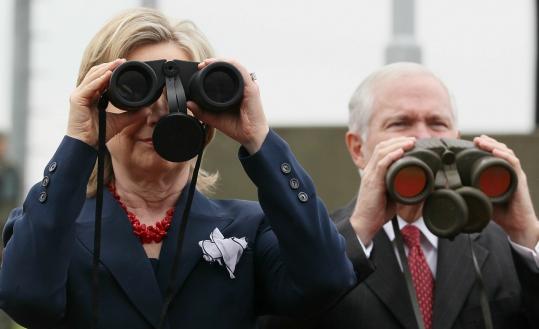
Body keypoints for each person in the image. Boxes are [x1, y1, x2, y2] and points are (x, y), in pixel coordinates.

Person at [0, 8, 364, 329]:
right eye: (134, 88)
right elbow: (26, 300)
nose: (157, 110)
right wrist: (79, 141)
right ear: (95, 99)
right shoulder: (51, 231)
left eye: (177, 91)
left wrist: (259, 138)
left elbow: (327, 279)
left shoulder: (249, 229)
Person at [258, 62, 539, 329]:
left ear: (457, 136)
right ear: (358, 148)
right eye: (400, 123)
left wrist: (527, 233)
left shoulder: (505, 247)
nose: (422, 138)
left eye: (438, 124)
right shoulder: (316, 249)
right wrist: (360, 232)